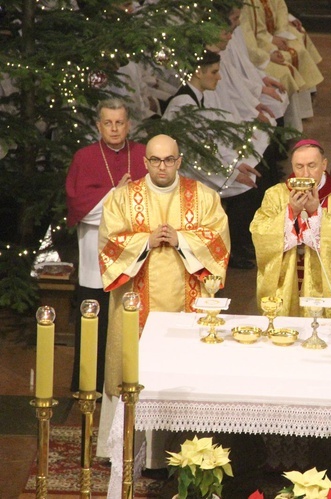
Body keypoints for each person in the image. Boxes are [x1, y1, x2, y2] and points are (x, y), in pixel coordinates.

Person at [96, 134, 230, 464]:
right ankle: (123, 450)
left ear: (179, 161)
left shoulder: (203, 197)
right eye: (155, 160)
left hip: (189, 307)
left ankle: (185, 455)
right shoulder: (123, 198)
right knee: (132, 371)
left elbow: (219, 242)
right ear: (145, 162)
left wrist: (183, 240)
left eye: (169, 160)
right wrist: (144, 241)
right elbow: (108, 245)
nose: (162, 167)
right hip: (135, 309)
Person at [65, 98, 147, 393]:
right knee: (94, 323)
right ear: (98, 125)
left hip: (134, 255)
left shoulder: (142, 155)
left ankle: (129, 384)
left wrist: (120, 199)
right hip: (95, 256)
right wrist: (118, 195)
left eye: (120, 122)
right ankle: (90, 386)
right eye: (108, 123)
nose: (114, 128)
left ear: (129, 125)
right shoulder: (84, 157)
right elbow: (82, 209)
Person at [162, 50, 270, 270]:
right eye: (214, 72)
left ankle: (239, 243)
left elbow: (207, 143)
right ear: (197, 72)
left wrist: (235, 165)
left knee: (253, 177)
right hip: (188, 173)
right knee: (249, 189)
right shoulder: (184, 103)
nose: (218, 77)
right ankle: (234, 250)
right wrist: (230, 173)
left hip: (202, 166)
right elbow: (193, 153)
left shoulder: (195, 97)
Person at [250, 139, 331, 318]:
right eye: (299, 166)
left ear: (324, 164)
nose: (305, 173)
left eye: (312, 165)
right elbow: (260, 235)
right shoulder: (275, 195)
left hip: (323, 285)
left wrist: (316, 213)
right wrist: (290, 213)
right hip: (285, 281)